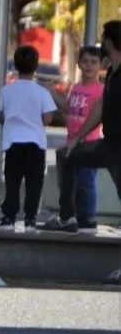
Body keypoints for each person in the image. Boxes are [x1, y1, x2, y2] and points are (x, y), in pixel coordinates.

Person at [40, 20, 121, 234]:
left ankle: (87, 219)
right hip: (109, 144)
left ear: (109, 42)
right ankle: (68, 218)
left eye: (103, 37)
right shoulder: (111, 73)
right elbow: (99, 108)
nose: (101, 41)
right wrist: (77, 138)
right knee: (66, 155)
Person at [0, 44, 58, 231]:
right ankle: (30, 218)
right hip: (35, 142)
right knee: (34, 182)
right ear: (36, 66)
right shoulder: (42, 92)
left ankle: (9, 216)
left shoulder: (6, 91)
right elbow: (48, 118)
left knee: (12, 180)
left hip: (13, 141)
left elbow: (1, 115)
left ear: (15, 65)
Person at [48, 45, 105, 232]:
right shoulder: (76, 88)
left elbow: (98, 116)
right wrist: (53, 93)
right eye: (85, 61)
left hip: (89, 143)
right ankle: (69, 217)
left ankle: (88, 218)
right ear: (79, 64)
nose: (89, 66)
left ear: (100, 65)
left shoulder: (100, 90)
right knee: (70, 182)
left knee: (86, 182)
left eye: (93, 62)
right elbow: (68, 108)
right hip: (71, 142)